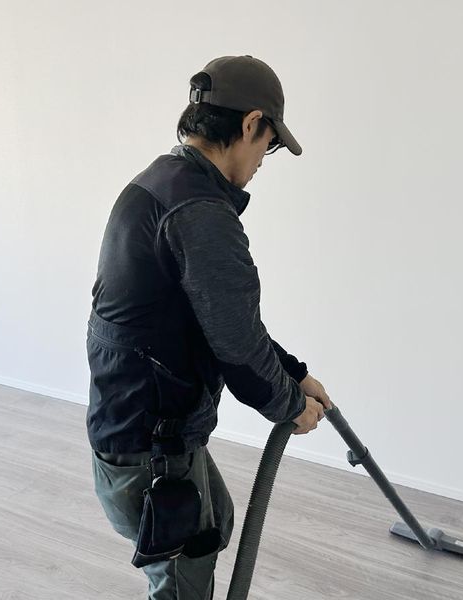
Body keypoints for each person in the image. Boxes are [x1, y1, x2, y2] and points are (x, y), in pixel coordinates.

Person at [86, 55, 332, 600]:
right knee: (184, 572)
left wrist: (294, 373)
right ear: (251, 123)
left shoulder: (159, 183)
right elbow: (238, 348)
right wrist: (289, 405)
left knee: (215, 516)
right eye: (269, 144)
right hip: (150, 452)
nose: (264, 160)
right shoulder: (200, 213)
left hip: (130, 424)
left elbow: (220, 321)